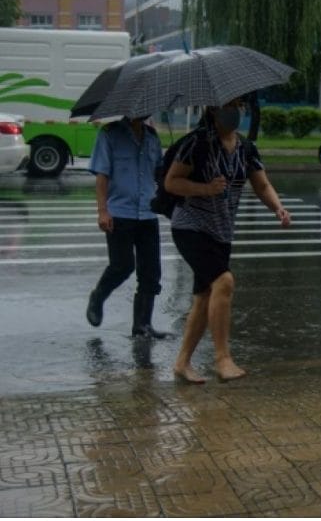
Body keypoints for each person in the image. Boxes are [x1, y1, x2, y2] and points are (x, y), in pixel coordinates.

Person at [166, 99, 291, 383]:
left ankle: (182, 363)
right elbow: (172, 182)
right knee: (224, 281)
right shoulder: (195, 143)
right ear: (213, 109)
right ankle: (222, 359)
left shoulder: (246, 148)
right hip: (190, 226)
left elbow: (261, 184)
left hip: (221, 231)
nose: (237, 111)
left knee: (204, 296)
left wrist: (278, 208)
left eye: (240, 105)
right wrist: (205, 188)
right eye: (230, 105)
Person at [85, 115, 168, 339]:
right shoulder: (110, 134)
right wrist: (102, 211)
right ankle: (98, 297)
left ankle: (142, 326)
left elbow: (159, 172)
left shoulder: (152, 137)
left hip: (148, 212)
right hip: (119, 212)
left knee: (151, 273)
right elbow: (102, 175)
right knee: (122, 265)